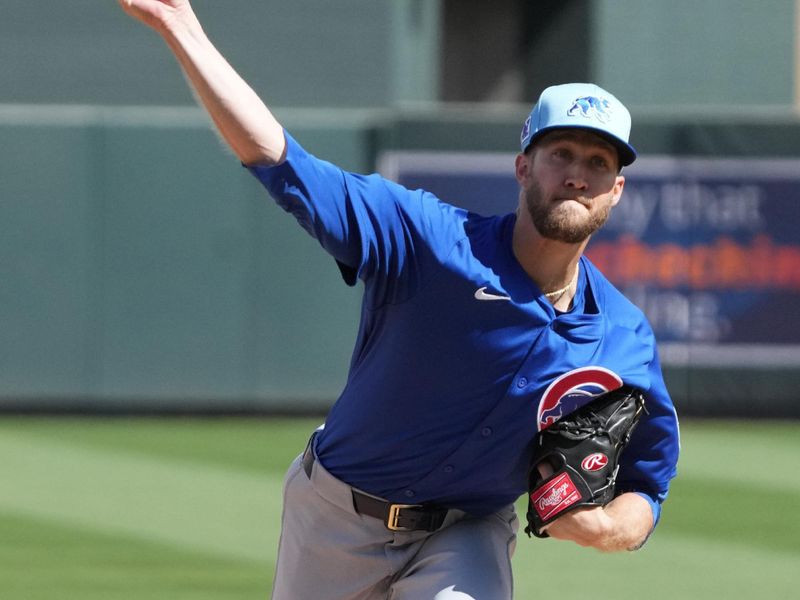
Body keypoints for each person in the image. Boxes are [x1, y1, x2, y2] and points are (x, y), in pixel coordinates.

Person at [118, 2, 680, 599]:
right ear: (523, 166)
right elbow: (283, 163)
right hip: (335, 517)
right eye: (560, 154)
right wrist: (181, 27)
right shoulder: (428, 240)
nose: (577, 174)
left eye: (598, 162)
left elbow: (649, 482)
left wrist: (607, 528)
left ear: (616, 189)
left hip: (467, 533)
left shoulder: (623, 339)